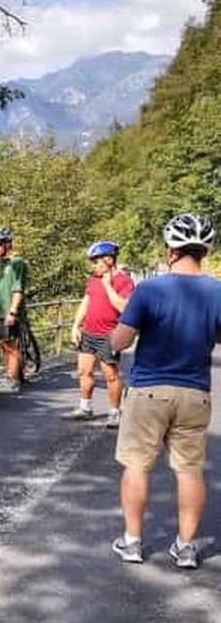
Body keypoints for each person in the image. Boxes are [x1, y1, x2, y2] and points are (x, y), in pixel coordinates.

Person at [110, 214, 221, 569]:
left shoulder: (149, 289)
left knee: (137, 465)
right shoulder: (218, 291)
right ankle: (186, 547)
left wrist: (116, 336)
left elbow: (122, 338)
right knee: (189, 470)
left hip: (149, 390)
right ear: (205, 251)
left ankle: (132, 542)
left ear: (170, 251)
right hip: (195, 392)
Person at [69, 241, 134, 428]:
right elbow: (86, 302)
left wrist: (107, 285)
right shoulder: (93, 280)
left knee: (110, 375)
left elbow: (123, 307)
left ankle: (114, 412)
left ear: (109, 260)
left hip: (109, 335)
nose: (93, 265)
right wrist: (75, 325)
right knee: (84, 371)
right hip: (88, 332)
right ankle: (85, 407)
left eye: (96, 261)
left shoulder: (124, 281)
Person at [0, 228, 28, 394]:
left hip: (9, 311)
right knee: (4, 345)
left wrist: (13, 312)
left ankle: (13, 381)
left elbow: (18, 289)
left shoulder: (17, 263)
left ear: (9, 243)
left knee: (11, 346)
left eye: (0, 243)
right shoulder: (0, 264)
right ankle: (12, 374)